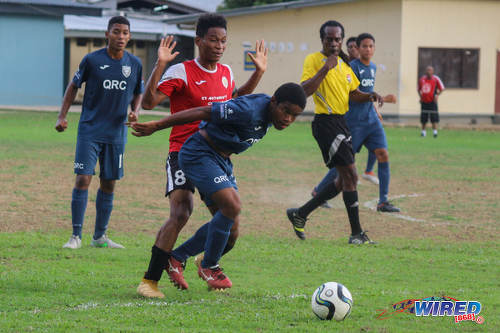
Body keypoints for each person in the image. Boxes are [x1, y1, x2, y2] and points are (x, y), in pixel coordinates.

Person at [136, 13, 268, 297]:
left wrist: (258, 73)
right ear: (198, 41)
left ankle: (201, 259)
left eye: (223, 41)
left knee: (230, 226)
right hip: (183, 151)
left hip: (215, 154)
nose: (219, 46)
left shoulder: (226, 73)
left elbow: (236, 102)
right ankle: (149, 281)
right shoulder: (181, 71)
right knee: (182, 211)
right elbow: (149, 102)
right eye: (213, 40)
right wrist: (160, 65)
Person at [131, 83, 306, 293]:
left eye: (294, 116)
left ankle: (177, 257)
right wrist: (157, 125)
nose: (288, 118)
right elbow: (202, 111)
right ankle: (209, 266)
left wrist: (329, 64)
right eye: (285, 111)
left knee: (231, 231)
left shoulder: (275, 111)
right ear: (274, 101)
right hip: (199, 153)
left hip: (221, 160)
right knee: (231, 206)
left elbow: (305, 89)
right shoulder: (248, 110)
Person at [286, 20, 383, 244]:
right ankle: (356, 234)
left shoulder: (345, 64)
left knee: (342, 181)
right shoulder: (313, 60)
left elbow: (353, 93)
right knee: (351, 176)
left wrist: (370, 95)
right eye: (329, 39)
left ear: (342, 40)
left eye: (337, 39)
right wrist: (324, 68)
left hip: (342, 122)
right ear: (322, 40)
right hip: (325, 123)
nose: (333, 42)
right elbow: (303, 91)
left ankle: (300, 214)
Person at [55, 16, 143, 249]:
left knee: (109, 183)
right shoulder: (92, 60)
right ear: (107, 34)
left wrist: (135, 111)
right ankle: (75, 236)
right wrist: (62, 116)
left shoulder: (134, 64)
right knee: (83, 178)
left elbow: (138, 91)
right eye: (116, 32)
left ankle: (99, 237)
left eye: (125, 33)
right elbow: (73, 86)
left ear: (129, 36)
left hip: (117, 134)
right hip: (90, 130)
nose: (121, 36)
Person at [418, 66, 445, 138]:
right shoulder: (422, 79)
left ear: (433, 72)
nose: (428, 72)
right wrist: (420, 97)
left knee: (434, 118)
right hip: (424, 102)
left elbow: (442, 88)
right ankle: (423, 132)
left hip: (432, 102)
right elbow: (419, 89)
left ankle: (435, 133)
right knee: (424, 118)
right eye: (427, 70)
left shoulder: (436, 79)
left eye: (430, 70)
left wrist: (437, 95)